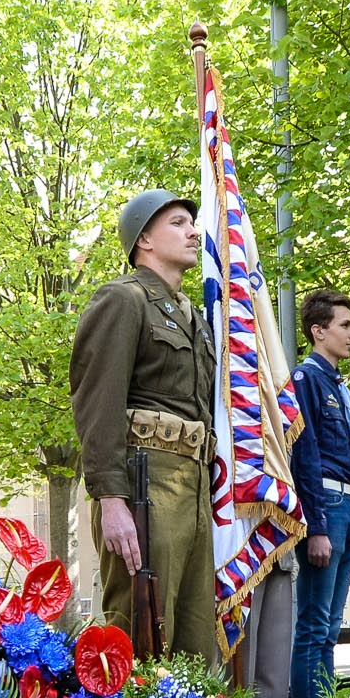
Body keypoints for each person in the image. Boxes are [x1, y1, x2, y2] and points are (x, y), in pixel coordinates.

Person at [70, 187, 215, 659]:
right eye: (177, 223)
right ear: (144, 240)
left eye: (190, 223)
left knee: (194, 637)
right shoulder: (122, 300)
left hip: (192, 488)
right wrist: (111, 498)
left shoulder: (194, 317)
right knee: (140, 630)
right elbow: (98, 404)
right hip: (144, 484)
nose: (193, 232)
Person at [287, 288, 350, 698]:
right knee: (314, 625)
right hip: (327, 507)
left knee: (332, 628)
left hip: (347, 507)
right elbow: (307, 455)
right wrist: (315, 525)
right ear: (319, 331)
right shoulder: (307, 380)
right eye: (346, 325)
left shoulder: (338, 385)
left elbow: (349, 457)